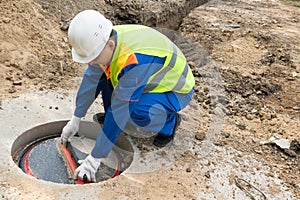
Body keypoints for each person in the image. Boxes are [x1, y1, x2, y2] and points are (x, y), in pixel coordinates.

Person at [61, 9, 195, 182]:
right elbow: (91, 81)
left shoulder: (132, 60)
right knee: (106, 77)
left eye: (93, 57)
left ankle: (169, 124)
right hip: (147, 81)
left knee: (136, 112)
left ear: (109, 45)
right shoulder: (106, 41)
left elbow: (120, 110)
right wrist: (76, 118)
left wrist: (94, 159)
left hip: (174, 89)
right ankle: (114, 128)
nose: (91, 62)